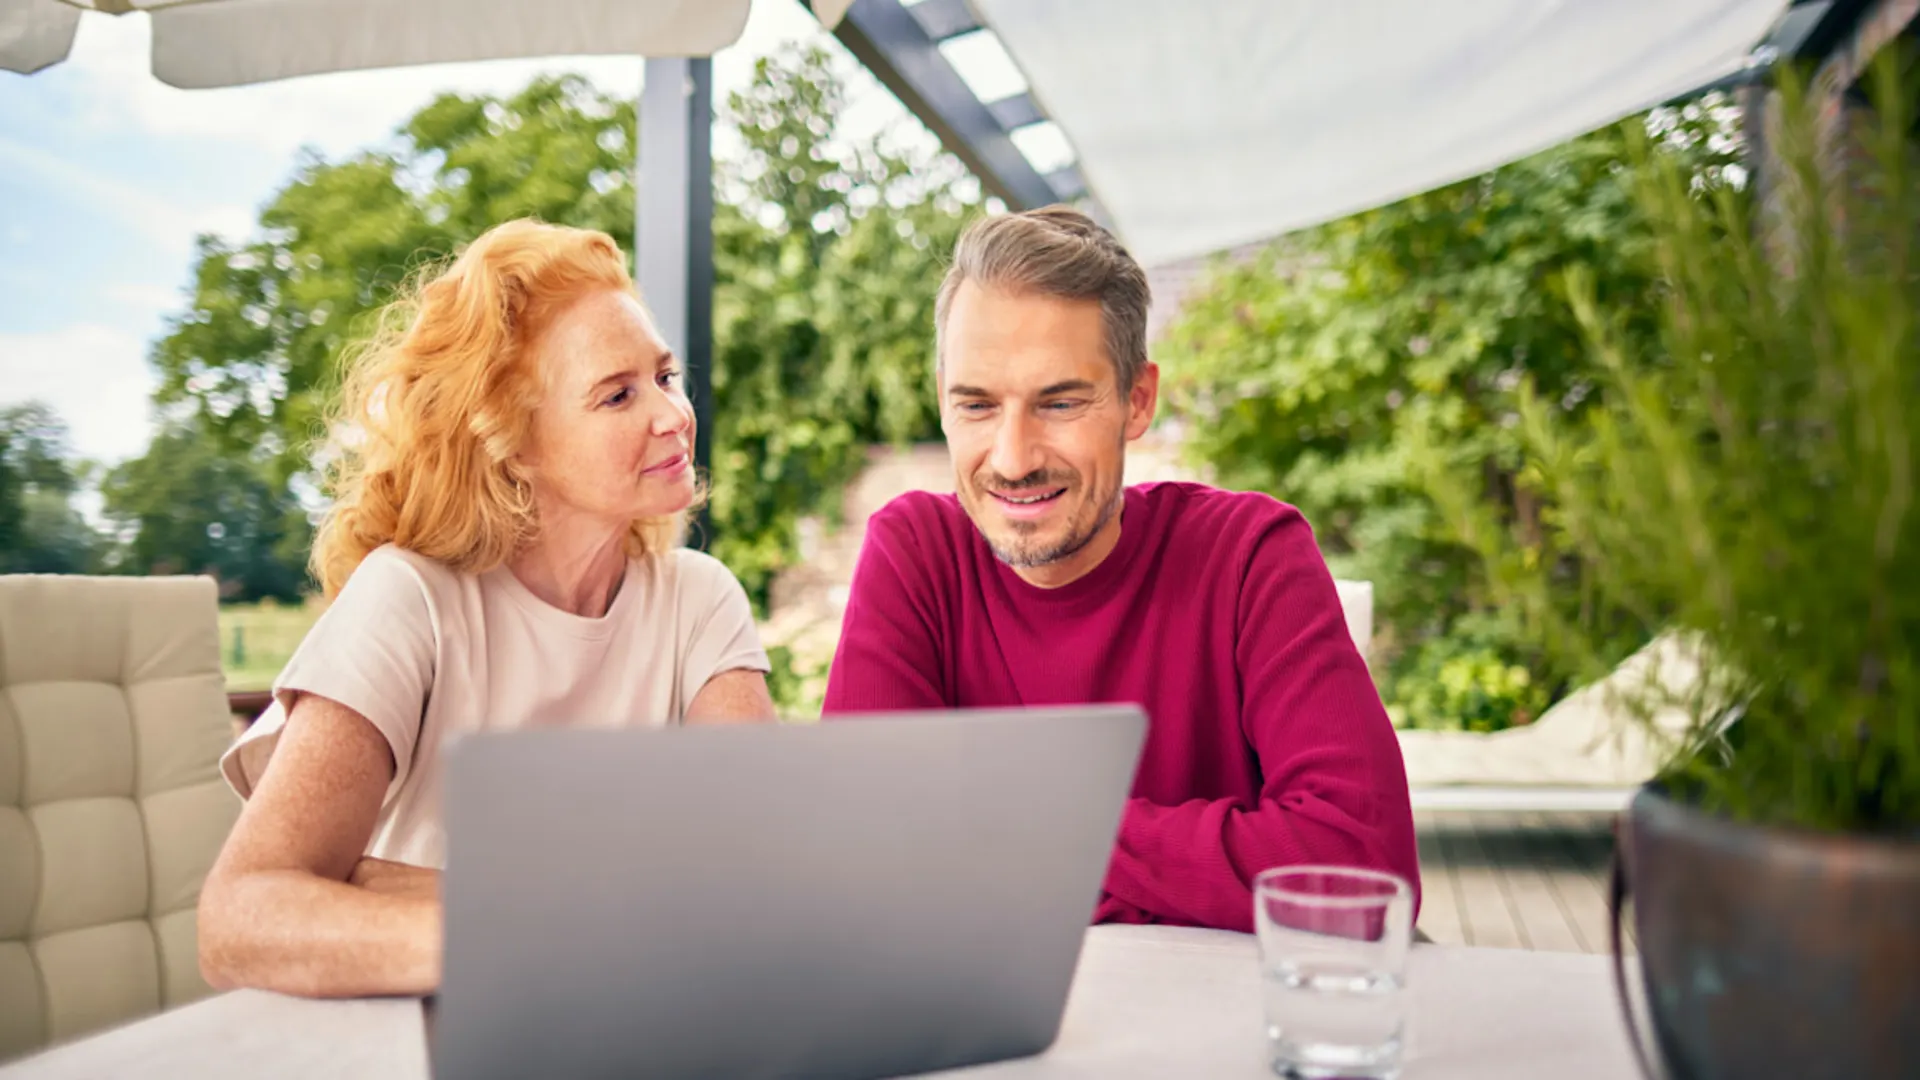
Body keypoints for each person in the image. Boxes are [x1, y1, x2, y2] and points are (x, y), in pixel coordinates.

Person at [199, 220, 775, 998]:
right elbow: (241, 919)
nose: (674, 416)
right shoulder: (411, 597)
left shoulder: (699, 599)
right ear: (512, 441)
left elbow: (758, 881)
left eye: (666, 377)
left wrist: (396, 886)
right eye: (618, 394)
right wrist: (548, 926)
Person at [822, 207, 1419, 933]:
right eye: (976, 405)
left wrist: (1021, 823)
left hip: (1226, 1027)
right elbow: (866, 867)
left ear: (1138, 401)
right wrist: (1193, 876)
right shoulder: (916, 554)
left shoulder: (1250, 554)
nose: (1013, 459)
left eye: (1061, 401)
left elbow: (1361, 870)